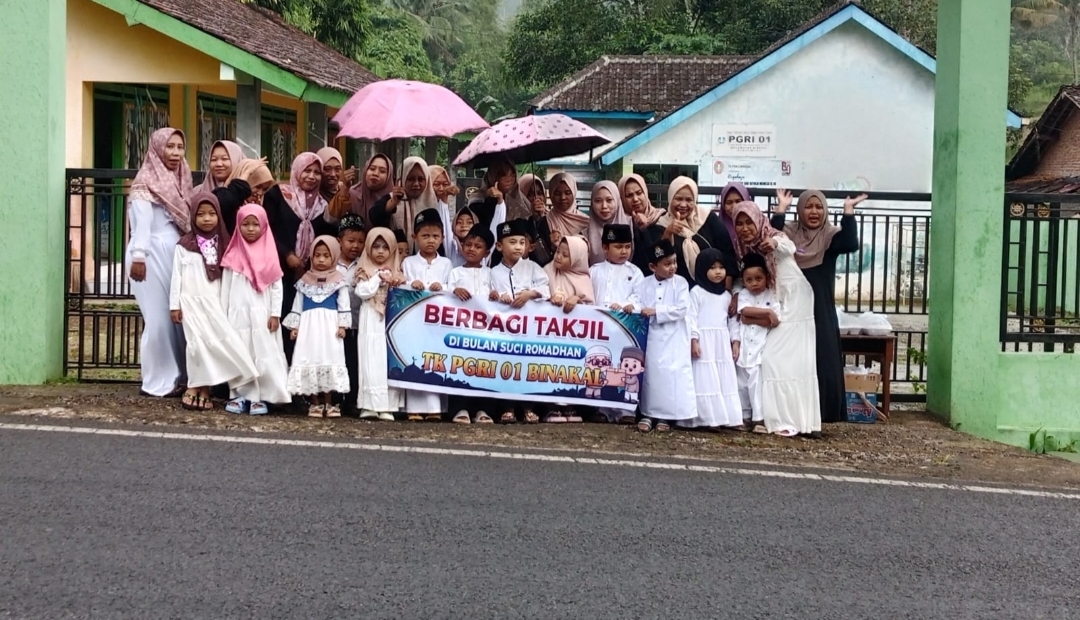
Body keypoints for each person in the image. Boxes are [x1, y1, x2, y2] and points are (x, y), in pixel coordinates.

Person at [771, 189, 863, 424]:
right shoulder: (790, 234)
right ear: (800, 210)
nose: (814, 212)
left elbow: (850, 243)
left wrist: (848, 212)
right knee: (794, 358)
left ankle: (825, 411)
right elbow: (771, 235)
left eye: (819, 207)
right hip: (793, 307)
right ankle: (795, 410)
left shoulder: (829, 237)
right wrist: (780, 209)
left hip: (820, 309)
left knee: (823, 358)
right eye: (808, 207)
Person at [732, 201, 821, 437]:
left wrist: (774, 243)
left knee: (793, 361)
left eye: (749, 222)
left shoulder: (772, 236)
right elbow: (743, 278)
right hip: (775, 300)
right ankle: (780, 418)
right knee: (772, 361)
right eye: (739, 223)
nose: (744, 228)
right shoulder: (744, 249)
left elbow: (789, 246)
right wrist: (736, 294)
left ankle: (805, 421)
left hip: (795, 299)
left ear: (758, 220)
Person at [169, 192, 257, 411]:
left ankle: (205, 388)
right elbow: (176, 276)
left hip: (215, 302)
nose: (206, 218)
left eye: (211, 213)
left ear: (218, 215)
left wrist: (227, 305)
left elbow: (229, 280)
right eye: (201, 214)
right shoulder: (183, 245)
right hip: (190, 302)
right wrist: (174, 305)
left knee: (213, 344)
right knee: (195, 346)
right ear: (193, 216)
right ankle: (195, 385)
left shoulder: (226, 244)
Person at [127, 127, 192, 398]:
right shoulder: (145, 182)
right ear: (156, 148)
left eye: (180, 147)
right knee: (157, 320)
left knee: (176, 315)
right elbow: (142, 224)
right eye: (170, 146)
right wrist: (139, 256)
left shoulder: (181, 178)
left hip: (173, 255)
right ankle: (157, 380)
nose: (175, 153)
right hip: (149, 254)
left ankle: (180, 376)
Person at [219, 203, 291, 415]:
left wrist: (275, 313)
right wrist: (223, 315)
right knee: (241, 353)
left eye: (255, 224)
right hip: (237, 316)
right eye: (245, 224)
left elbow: (277, 287)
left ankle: (263, 396)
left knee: (264, 352)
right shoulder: (233, 255)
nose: (250, 229)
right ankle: (240, 395)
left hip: (263, 316)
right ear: (238, 226)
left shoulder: (270, 255)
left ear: (264, 226)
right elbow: (225, 288)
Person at [263, 152, 336, 361]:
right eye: (307, 170)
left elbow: (326, 237)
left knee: (303, 324)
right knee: (278, 318)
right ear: (296, 170)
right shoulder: (277, 195)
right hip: (278, 270)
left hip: (308, 274)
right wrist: (287, 254)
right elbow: (267, 229)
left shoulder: (323, 205)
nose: (312, 176)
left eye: (317, 172)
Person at [283, 235, 352, 418]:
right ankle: (315, 403)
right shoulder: (305, 280)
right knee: (310, 358)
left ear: (334, 257)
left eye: (326, 256)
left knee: (328, 357)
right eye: (317, 255)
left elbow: (344, 305)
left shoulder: (338, 280)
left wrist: (343, 325)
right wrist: (295, 327)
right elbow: (297, 305)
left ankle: (329, 402)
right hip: (309, 327)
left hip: (330, 327)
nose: (321, 260)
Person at [491, 218, 550, 424]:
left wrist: (529, 294)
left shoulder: (533, 267)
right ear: (499, 246)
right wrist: (498, 296)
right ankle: (507, 408)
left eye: (522, 242)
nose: (518, 247)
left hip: (529, 330)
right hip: (503, 330)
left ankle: (528, 408)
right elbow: (488, 293)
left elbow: (545, 289)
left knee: (527, 366)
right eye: (512, 242)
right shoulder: (493, 271)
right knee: (506, 367)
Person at [635, 239, 696, 432]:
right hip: (653, 336)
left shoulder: (681, 283)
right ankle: (648, 414)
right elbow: (638, 302)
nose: (673, 267)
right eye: (667, 264)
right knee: (653, 373)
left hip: (675, 336)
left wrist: (656, 310)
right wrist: (631, 307)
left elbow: (682, 309)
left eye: (674, 262)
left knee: (671, 375)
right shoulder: (644, 283)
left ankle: (666, 417)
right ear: (653, 267)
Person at [680, 248, 743, 430]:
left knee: (723, 379)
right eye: (712, 268)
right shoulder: (696, 293)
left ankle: (727, 417)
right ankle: (707, 418)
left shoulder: (726, 296)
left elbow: (732, 321)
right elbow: (691, 318)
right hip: (704, 342)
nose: (718, 272)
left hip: (721, 343)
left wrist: (735, 342)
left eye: (721, 267)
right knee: (705, 378)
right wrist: (694, 340)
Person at [400, 208, 453, 421]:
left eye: (435, 236)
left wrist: (443, 287)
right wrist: (410, 284)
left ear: (442, 238)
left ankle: (434, 408)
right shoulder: (408, 263)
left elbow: (453, 287)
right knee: (414, 358)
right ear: (415, 237)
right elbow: (400, 286)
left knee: (434, 361)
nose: (430, 240)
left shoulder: (446, 264)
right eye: (425, 236)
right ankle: (413, 408)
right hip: (414, 320)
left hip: (437, 323)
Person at [590, 223, 643, 425]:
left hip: (624, 329)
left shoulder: (635, 272)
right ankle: (601, 409)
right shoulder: (594, 271)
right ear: (605, 247)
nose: (624, 251)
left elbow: (639, 297)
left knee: (625, 368)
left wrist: (625, 305)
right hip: (600, 329)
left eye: (627, 247)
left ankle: (625, 410)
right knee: (602, 365)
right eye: (618, 247)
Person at [642, 176, 736, 287]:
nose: (683, 205)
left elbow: (727, 251)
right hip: (676, 289)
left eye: (689, 200)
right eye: (678, 199)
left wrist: (728, 285)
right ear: (670, 198)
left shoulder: (707, 218)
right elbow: (658, 261)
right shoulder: (660, 225)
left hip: (713, 288)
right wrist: (668, 233)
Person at [541, 235, 594, 424]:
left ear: (578, 259)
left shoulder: (584, 279)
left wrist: (577, 299)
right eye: (558, 252)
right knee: (549, 367)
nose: (558, 257)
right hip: (550, 334)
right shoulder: (547, 271)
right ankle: (551, 408)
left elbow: (592, 308)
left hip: (573, 338)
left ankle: (570, 406)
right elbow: (538, 293)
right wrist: (549, 299)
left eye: (565, 255)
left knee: (571, 368)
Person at [355, 227, 406, 420]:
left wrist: (395, 281)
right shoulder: (364, 271)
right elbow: (362, 292)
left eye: (385, 247)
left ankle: (388, 406)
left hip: (391, 320)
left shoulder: (398, 272)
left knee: (388, 360)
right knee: (370, 358)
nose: (380, 251)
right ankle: (369, 405)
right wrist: (378, 277)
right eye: (375, 246)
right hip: (370, 318)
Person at [448, 224, 497, 424]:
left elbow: (498, 295)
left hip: (486, 332)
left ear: (486, 252)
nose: (471, 249)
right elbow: (444, 294)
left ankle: (483, 409)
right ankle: (460, 408)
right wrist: (454, 291)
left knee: (484, 368)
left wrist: (495, 295)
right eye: (468, 244)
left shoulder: (491, 274)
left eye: (478, 246)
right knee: (460, 367)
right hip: (461, 330)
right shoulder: (455, 273)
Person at [734, 252, 776, 429]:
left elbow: (775, 321)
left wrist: (753, 318)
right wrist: (766, 313)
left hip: (760, 347)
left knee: (756, 383)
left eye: (759, 278)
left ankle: (758, 418)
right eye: (749, 280)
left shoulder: (771, 295)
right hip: (744, 347)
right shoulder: (744, 294)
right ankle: (744, 416)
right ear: (743, 281)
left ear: (767, 277)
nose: (755, 283)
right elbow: (744, 311)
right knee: (741, 384)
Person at [368, 156, 438, 252]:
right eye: (411, 179)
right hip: (395, 255)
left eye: (421, 179)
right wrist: (394, 202)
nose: (416, 184)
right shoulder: (392, 198)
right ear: (403, 179)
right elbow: (374, 217)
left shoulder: (431, 202)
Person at [336, 213, 367, 417]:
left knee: (355, 362)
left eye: (360, 242)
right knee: (339, 360)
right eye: (350, 240)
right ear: (339, 241)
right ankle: (336, 399)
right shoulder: (331, 264)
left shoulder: (363, 266)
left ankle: (353, 399)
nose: (355, 246)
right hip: (337, 325)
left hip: (358, 323)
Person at [618, 173, 665, 272]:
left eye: (639, 193)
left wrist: (645, 229)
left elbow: (660, 256)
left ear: (645, 193)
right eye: (629, 195)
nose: (635, 199)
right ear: (622, 198)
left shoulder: (660, 218)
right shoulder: (618, 223)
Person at [540, 172, 588, 255]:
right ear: (551, 194)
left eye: (568, 193)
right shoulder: (544, 221)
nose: (563, 197)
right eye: (557, 194)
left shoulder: (585, 221)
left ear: (574, 193)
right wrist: (549, 243)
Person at [586, 181, 632, 266]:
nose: (604, 206)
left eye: (609, 200)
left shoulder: (632, 225)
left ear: (617, 200)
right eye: (598, 201)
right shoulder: (585, 234)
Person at [344, 154, 394, 224]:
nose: (375, 174)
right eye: (372, 169)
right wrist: (344, 189)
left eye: (382, 171)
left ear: (388, 176)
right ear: (365, 170)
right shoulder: (352, 194)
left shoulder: (394, 198)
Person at [316, 146, 355, 224]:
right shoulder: (312, 195)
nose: (333, 174)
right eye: (327, 169)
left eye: (337, 169)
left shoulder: (347, 192)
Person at [717, 182, 752, 248]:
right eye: (729, 202)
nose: (734, 206)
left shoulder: (759, 224)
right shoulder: (716, 227)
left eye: (738, 201)